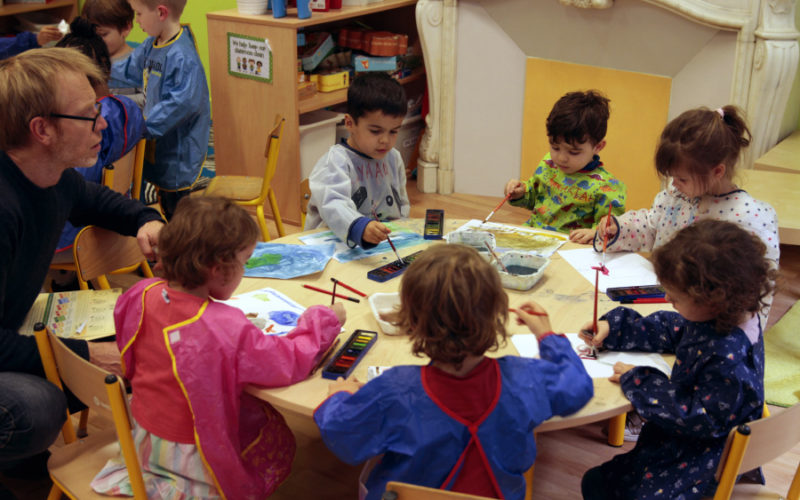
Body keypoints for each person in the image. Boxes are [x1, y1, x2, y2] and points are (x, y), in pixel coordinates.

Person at [91, 195, 346, 499]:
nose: (244, 271)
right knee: (275, 435)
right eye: (244, 263)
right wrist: (323, 320)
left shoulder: (139, 293)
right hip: (196, 456)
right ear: (218, 269)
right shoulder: (225, 326)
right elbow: (287, 363)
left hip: (145, 438)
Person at [0, 47, 163, 488]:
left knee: (134, 349)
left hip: (9, 332)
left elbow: (105, 204)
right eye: (90, 115)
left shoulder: (52, 176)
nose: (104, 123)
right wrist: (86, 353)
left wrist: (148, 221)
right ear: (42, 130)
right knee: (36, 408)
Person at [314, 244, 593, 500]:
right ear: (497, 315)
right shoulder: (525, 379)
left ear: (411, 322)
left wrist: (339, 396)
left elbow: (343, 435)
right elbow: (576, 387)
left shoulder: (394, 390)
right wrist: (546, 334)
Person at [579, 220, 774, 500]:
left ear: (713, 300)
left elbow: (697, 416)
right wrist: (617, 329)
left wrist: (641, 381)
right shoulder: (726, 317)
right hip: (690, 443)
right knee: (600, 480)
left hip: (703, 461)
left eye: (676, 297)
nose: (667, 297)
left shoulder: (728, 358)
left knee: (600, 485)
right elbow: (675, 329)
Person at [593, 105, 779, 269]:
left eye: (681, 179)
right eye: (672, 177)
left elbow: (759, 283)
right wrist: (621, 229)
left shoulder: (749, 217)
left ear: (717, 172)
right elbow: (650, 229)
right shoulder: (675, 197)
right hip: (660, 296)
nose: (673, 184)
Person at [53, 17, 146, 254]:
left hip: (77, 233)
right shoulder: (130, 108)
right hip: (120, 209)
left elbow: (74, 189)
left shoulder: (84, 125)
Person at [111, 0, 211, 220]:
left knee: (177, 208)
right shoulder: (151, 44)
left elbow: (182, 103)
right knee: (165, 200)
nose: (136, 21)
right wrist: (97, 70)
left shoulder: (182, 56)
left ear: (161, 13)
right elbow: (127, 69)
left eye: (138, 14)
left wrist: (140, 125)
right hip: (160, 139)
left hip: (179, 148)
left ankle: (185, 249)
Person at [305, 72, 411, 249]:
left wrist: (403, 230)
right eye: (375, 131)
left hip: (379, 248)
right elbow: (333, 204)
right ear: (349, 123)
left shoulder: (393, 157)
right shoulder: (335, 161)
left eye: (393, 131)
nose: (385, 140)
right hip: (334, 247)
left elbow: (401, 204)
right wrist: (360, 227)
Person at [504, 90, 626, 242]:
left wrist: (595, 234)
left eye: (574, 152)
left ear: (598, 147)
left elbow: (611, 229)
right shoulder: (548, 163)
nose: (561, 158)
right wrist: (520, 192)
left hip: (570, 249)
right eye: (555, 147)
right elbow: (534, 198)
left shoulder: (608, 187)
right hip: (532, 237)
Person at [81, 0, 145, 107]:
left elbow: (150, 99)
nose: (95, 41)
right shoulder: (86, 58)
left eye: (102, 35)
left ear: (126, 28)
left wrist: (110, 98)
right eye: (89, 35)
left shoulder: (140, 60)